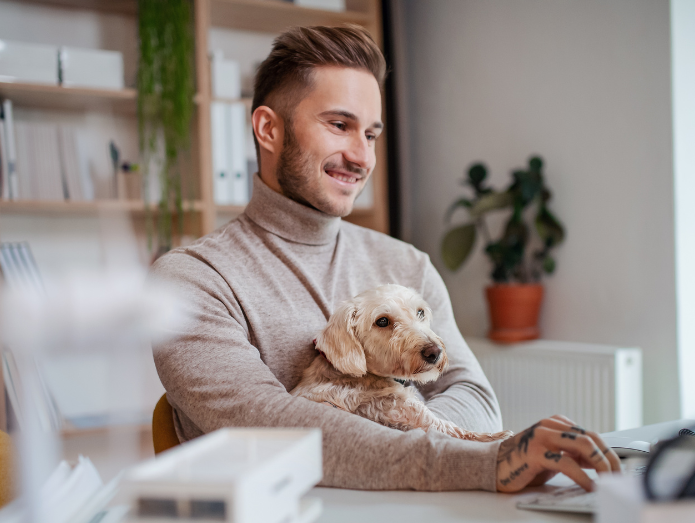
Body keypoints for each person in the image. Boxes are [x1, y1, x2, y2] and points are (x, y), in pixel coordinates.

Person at [151, 24, 618, 492]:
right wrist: (470, 460)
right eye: (339, 125)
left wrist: (404, 444)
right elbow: (273, 429)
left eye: (371, 134)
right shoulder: (191, 282)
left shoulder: (407, 266)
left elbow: (474, 396)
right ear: (269, 129)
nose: (362, 157)